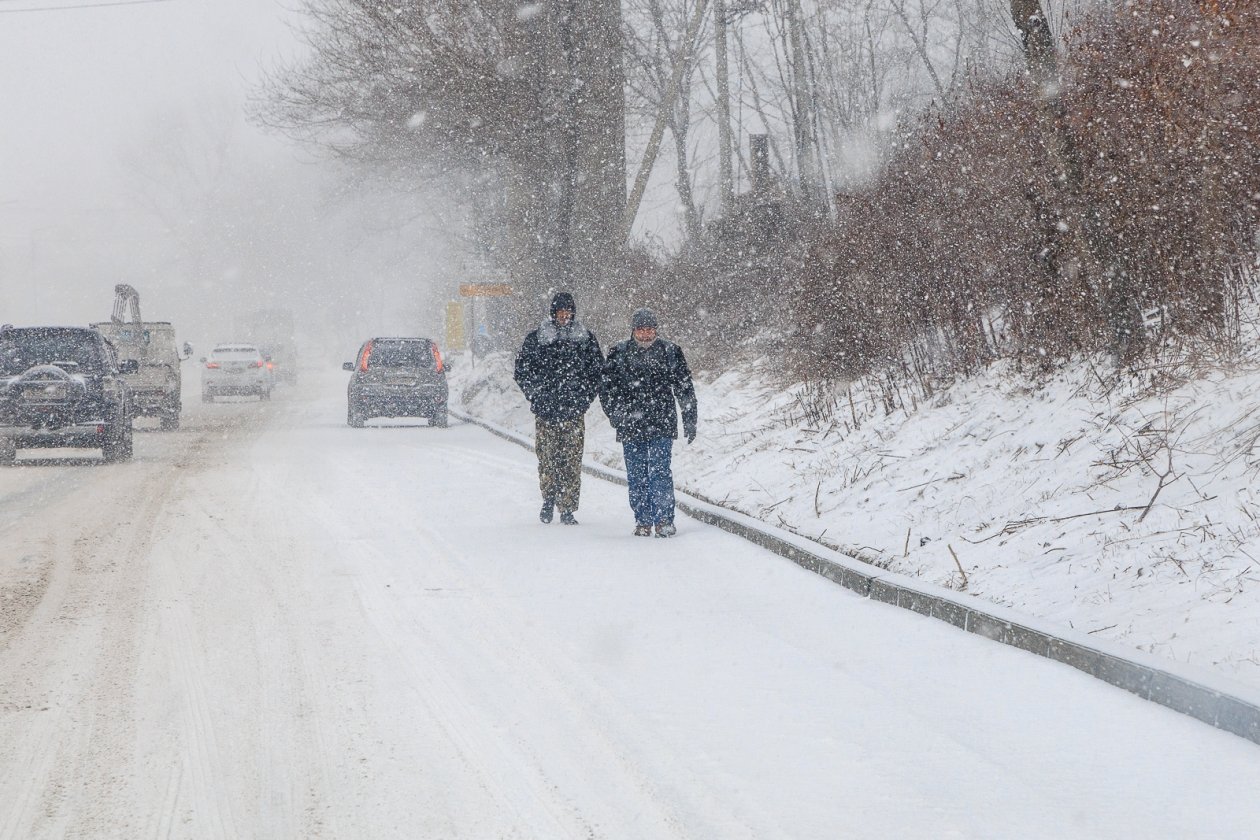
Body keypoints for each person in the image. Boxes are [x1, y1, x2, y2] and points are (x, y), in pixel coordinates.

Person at [599, 308, 698, 537]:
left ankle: (664, 519)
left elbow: (684, 387)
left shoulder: (670, 352)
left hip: (661, 421)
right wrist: (616, 415)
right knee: (636, 474)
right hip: (630, 423)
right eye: (641, 330)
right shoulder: (619, 353)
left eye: (650, 329)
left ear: (656, 330)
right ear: (634, 330)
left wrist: (690, 418)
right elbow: (607, 389)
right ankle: (642, 519)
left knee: (660, 471)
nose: (646, 334)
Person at [513, 292, 604, 525]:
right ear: (553, 314)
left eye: (568, 312)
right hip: (546, 412)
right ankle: (548, 499)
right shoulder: (536, 340)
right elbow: (522, 371)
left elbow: (597, 373)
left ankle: (568, 508)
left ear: (573, 313)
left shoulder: (585, 340)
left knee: (572, 460)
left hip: (573, 412)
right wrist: (537, 395)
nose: (564, 316)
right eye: (561, 312)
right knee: (547, 458)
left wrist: (583, 398)